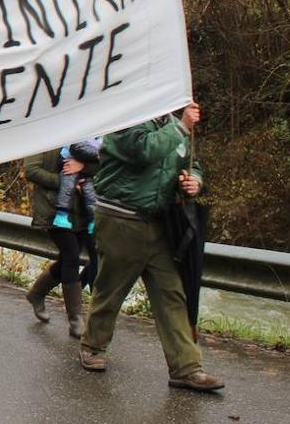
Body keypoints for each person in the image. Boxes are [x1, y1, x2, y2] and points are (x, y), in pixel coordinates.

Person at [79, 103, 224, 392]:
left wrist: (194, 180)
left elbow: (189, 161)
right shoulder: (125, 120)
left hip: (159, 224)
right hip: (121, 219)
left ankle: (186, 367)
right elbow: (145, 150)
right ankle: (93, 347)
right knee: (111, 286)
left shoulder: (170, 124)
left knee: (172, 293)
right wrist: (182, 127)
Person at [23, 144, 100, 337]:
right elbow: (31, 170)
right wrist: (65, 181)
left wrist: (82, 168)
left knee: (68, 259)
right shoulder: (44, 134)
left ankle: (37, 294)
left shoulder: (85, 133)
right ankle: (76, 319)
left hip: (82, 211)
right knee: (72, 256)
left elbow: (101, 163)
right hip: (52, 210)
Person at [52, 138, 101, 231]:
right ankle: (62, 214)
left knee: (89, 191)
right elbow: (77, 147)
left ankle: (93, 219)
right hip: (68, 160)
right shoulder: (83, 131)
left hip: (86, 168)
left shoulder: (105, 135)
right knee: (68, 184)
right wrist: (100, 153)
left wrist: (85, 166)